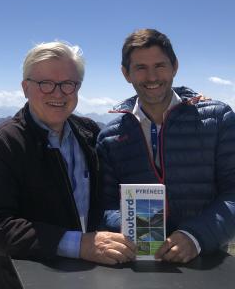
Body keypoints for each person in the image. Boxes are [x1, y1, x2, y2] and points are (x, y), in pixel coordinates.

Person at [0, 41, 135, 289]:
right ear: (26, 88)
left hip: (82, 277)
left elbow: (108, 195)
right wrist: (80, 245)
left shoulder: (89, 133)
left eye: (68, 84)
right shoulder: (4, 144)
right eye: (45, 84)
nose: (58, 93)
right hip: (17, 281)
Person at [97, 28, 235, 263]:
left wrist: (195, 237)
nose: (152, 77)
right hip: (139, 260)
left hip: (207, 260)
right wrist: (132, 229)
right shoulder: (110, 137)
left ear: (175, 66)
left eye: (160, 65)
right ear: (125, 73)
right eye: (140, 68)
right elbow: (106, 203)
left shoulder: (218, 119)